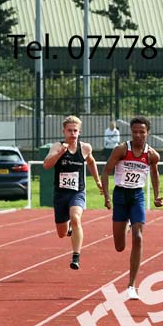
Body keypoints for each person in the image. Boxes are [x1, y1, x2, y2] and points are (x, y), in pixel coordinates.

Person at [102, 115, 163, 300]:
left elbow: (154, 174)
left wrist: (157, 195)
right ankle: (126, 225)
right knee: (119, 246)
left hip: (137, 196)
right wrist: (106, 196)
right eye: (135, 132)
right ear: (131, 132)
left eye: (142, 132)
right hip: (120, 195)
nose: (138, 135)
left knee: (138, 238)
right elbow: (106, 172)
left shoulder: (152, 155)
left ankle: (131, 286)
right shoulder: (121, 150)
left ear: (148, 133)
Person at [43, 115, 103, 270]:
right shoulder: (57, 146)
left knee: (76, 217)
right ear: (64, 131)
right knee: (61, 233)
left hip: (77, 192)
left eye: (75, 130)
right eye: (69, 130)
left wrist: (97, 181)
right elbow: (46, 166)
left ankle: (76, 256)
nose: (73, 133)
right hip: (61, 194)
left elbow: (91, 161)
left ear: (79, 132)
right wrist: (59, 154)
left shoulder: (85, 148)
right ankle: (68, 228)